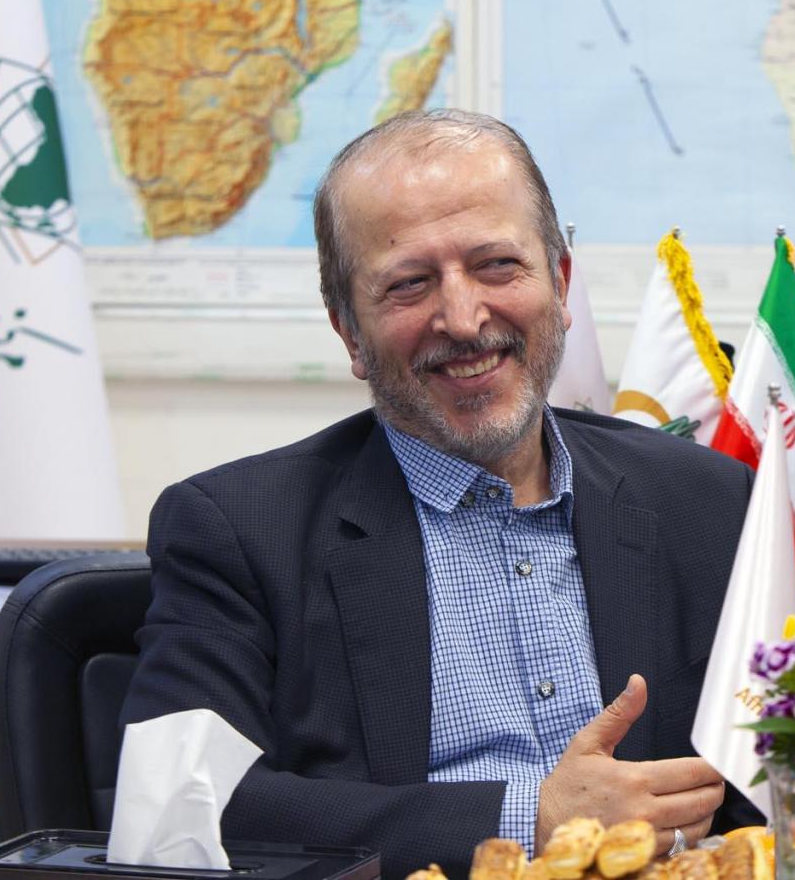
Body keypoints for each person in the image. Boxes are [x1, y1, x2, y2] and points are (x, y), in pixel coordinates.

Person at [120, 110, 759, 877]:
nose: (463, 318)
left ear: (560, 284)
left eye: (497, 265)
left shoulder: (707, 500)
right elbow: (184, 812)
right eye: (409, 284)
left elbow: (780, 778)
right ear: (349, 330)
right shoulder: (237, 531)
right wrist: (530, 817)